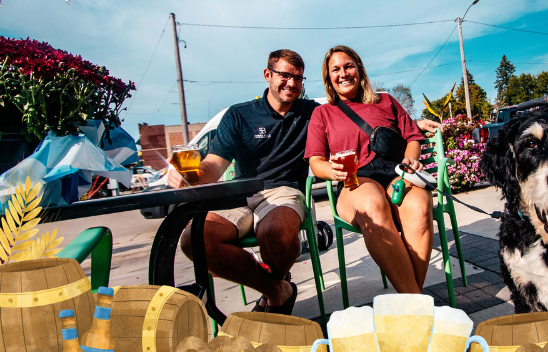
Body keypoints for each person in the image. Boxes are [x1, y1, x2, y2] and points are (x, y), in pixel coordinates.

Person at [167, 48, 441, 314]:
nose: (291, 83)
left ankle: (412, 303)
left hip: (284, 191)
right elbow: (213, 165)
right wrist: (190, 175)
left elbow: (365, 116)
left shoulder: (310, 111)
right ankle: (276, 290)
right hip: (240, 193)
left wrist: (414, 124)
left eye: (298, 78)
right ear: (267, 75)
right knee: (193, 240)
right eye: (285, 75)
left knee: (275, 233)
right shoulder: (240, 115)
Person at [306, 45, 434, 294]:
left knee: (419, 206)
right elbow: (316, 161)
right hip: (355, 178)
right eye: (336, 69)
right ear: (328, 77)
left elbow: (412, 137)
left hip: (396, 172)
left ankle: (412, 301)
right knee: (372, 205)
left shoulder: (386, 101)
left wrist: (410, 160)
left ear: (360, 70)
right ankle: (416, 301)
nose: (343, 73)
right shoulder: (322, 113)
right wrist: (333, 171)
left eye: (349, 66)